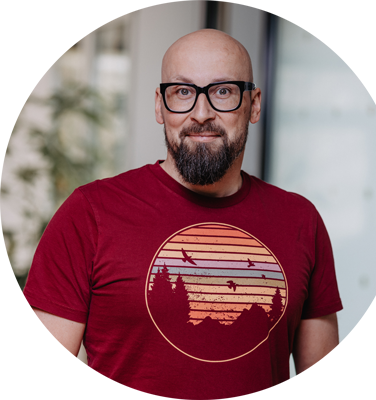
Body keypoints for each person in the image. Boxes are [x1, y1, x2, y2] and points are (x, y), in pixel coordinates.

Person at [16, 29, 344, 400]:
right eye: (183, 92)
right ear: (160, 105)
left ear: (253, 104)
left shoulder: (300, 220)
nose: (201, 114)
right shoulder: (90, 213)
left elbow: (322, 379)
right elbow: (38, 387)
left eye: (223, 92)